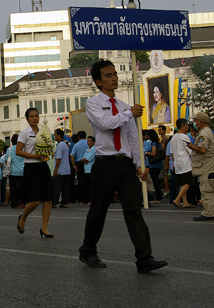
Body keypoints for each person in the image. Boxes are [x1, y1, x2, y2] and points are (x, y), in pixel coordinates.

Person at [79, 59, 167, 273]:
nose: (114, 78)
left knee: (133, 209)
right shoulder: (93, 104)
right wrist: (129, 113)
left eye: (115, 74)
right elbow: (106, 123)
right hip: (105, 164)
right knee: (99, 210)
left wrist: (139, 164)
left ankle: (144, 258)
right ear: (99, 81)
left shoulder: (125, 107)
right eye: (108, 75)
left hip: (125, 165)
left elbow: (132, 138)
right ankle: (88, 251)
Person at [16, 108, 53, 238]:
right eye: (31, 116)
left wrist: (49, 151)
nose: (35, 118)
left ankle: (44, 228)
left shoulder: (44, 132)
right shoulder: (24, 133)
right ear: (27, 119)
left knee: (48, 198)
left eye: (36, 116)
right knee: (35, 200)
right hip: (31, 167)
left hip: (43, 166)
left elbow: (49, 146)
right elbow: (18, 151)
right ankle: (23, 217)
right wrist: (35, 156)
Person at [187, 112, 214, 221]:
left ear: (200, 122)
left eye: (196, 121)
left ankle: (208, 213)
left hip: (207, 167)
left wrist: (192, 147)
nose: (194, 123)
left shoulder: (204, 134)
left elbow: (203, 149)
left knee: (207, 190)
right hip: (213, 166)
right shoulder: (209, 132)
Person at [170, 119, 197, 209]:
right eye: (186, 125)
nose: (188, 127)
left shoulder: (173, 137)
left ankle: (185, 202)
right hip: (185, 162)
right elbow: (190, 150)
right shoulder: (184, 137)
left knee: (182, 182)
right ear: (182, 126)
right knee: (188, 182)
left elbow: (172, 153)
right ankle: (177, 199)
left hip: (177, 162)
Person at [52, 128, 72, 209]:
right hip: (67, 169)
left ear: (59, 136)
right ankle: (65, 202)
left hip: (60, 170)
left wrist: (56, 169)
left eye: (55, 134)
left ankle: (54, 202)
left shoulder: (59, 145)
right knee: (65, 188)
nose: (54, 136)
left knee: (57, 187)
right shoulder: (65, 145)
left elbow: (59, 158)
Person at [145, 129, 164, 204]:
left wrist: (146, 153)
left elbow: (153, 153)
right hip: (158, 164)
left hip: (154, 165)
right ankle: (159, 197)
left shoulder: (154, 144)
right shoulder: (158, 143)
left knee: (154, 181)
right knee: (156, 180)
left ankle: (158, 197)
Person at [7, 134, 25, 209]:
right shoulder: (23, 149)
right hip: (22, 170)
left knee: (13, 188)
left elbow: (7, 161)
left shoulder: (10, 149)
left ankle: (14, 204)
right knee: (22, 188)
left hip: (13, 171)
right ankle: (22, 202)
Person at [79, 136, 96, 205]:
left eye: (90, 141)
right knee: (85, 185)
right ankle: (85, 199)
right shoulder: (87, 149)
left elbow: (87, 159)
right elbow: (83, 158)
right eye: (88, 141)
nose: (88, 143)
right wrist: (84, 160)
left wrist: (84, 160)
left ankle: (90, 200)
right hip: (86, 170)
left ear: (93, 142)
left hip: (91, 170)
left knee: (90, 186)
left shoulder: (94, 149)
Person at [158, 125, 170, 196]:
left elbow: (162, 148)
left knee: (164, 174)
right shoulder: (161, 138)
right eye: (158, 130)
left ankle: (167, 188)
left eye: (160, 130)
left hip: (164, 158)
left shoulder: (165, 138)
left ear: (164, 131)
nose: (159, 131)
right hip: (162, 158)